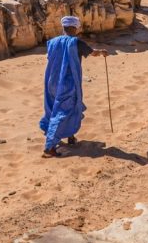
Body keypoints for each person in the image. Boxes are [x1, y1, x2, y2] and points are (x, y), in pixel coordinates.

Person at [39, 15, 110, 158]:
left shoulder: (52, 42)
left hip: (52, 81)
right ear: (75, 28)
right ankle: (49, 146)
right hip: (67, 82)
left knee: (58, 108)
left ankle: (70, 137)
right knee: (64, 111)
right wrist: (102, 52)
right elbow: (93, 52)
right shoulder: (76, 42)